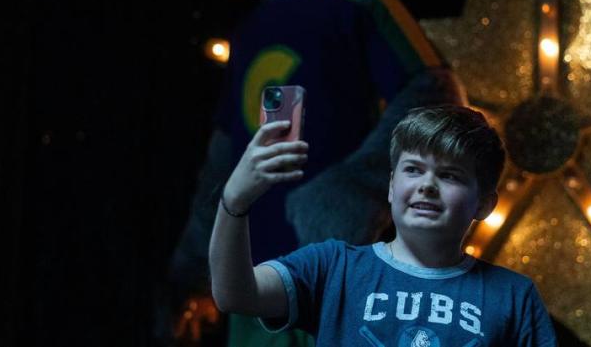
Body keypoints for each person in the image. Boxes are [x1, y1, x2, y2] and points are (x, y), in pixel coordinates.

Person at [209, 104, 558, 345]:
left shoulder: (514, 296)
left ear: (483, 203)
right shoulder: (334, 267)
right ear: (391, 186)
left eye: (449, 175)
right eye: (413, 169)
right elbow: (234, 295)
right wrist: (234, 202)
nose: (427, 185)